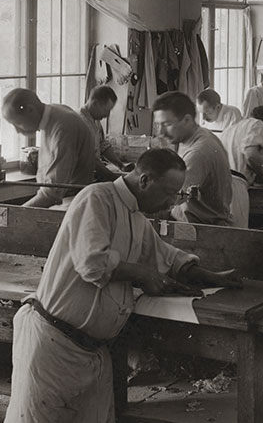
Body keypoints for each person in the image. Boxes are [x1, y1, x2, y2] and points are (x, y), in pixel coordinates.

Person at [4, 148, 241, 423]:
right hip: (55, 346)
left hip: (94, 352)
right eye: (168, 192)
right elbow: (91, 263)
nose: (172, 201)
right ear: (144, 181)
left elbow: (167, 257)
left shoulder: (136, 217)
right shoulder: (96, 199)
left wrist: (212, 277)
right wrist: (142, 274)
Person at [2, 88, 95, 208]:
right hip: (63, 199)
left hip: (70, 203)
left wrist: (12, 215)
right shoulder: (54, 113)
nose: (17, 131)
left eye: (18, 124)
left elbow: (51, 195)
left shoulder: (63, 127)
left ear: (31, 109)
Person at [153, 91, 234, 226]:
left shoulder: (199, 152)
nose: (160, 133)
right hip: (193, 223)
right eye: (158, 125)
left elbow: (169, 198)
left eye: (167, 124)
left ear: (187, 120)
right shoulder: (193, 137)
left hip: (205, 231)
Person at [220, 105, 263, 227]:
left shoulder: (232, 129)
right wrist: (261, 174)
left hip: (221, 184)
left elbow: (239, 161)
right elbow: (251, 155)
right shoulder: (258, 124)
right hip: (235, 186)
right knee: (238, 232)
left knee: (225, 232)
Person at [80, 85, 132, 181]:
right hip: (80, 178)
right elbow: (90, 158)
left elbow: (103, 145)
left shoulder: (95, 120)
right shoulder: (80, 122)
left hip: (92, 173)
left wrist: (120, 164)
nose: (107, 115)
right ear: (95, 104)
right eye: (106, 110)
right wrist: (111, 176)